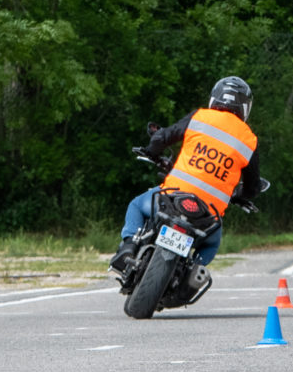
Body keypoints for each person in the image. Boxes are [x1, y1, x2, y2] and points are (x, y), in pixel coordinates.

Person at [110, 76, 261, 272]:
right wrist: (241, 195)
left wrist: (152, 151)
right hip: (208, 215)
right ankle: (192, 272)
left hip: (171, 198)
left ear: (214, 99)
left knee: (137, 206)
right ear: (245, 108)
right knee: (210, 244)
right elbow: (252, 186)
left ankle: (128, 247)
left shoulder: (200, 117)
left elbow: (162, 138)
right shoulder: (249, 140)